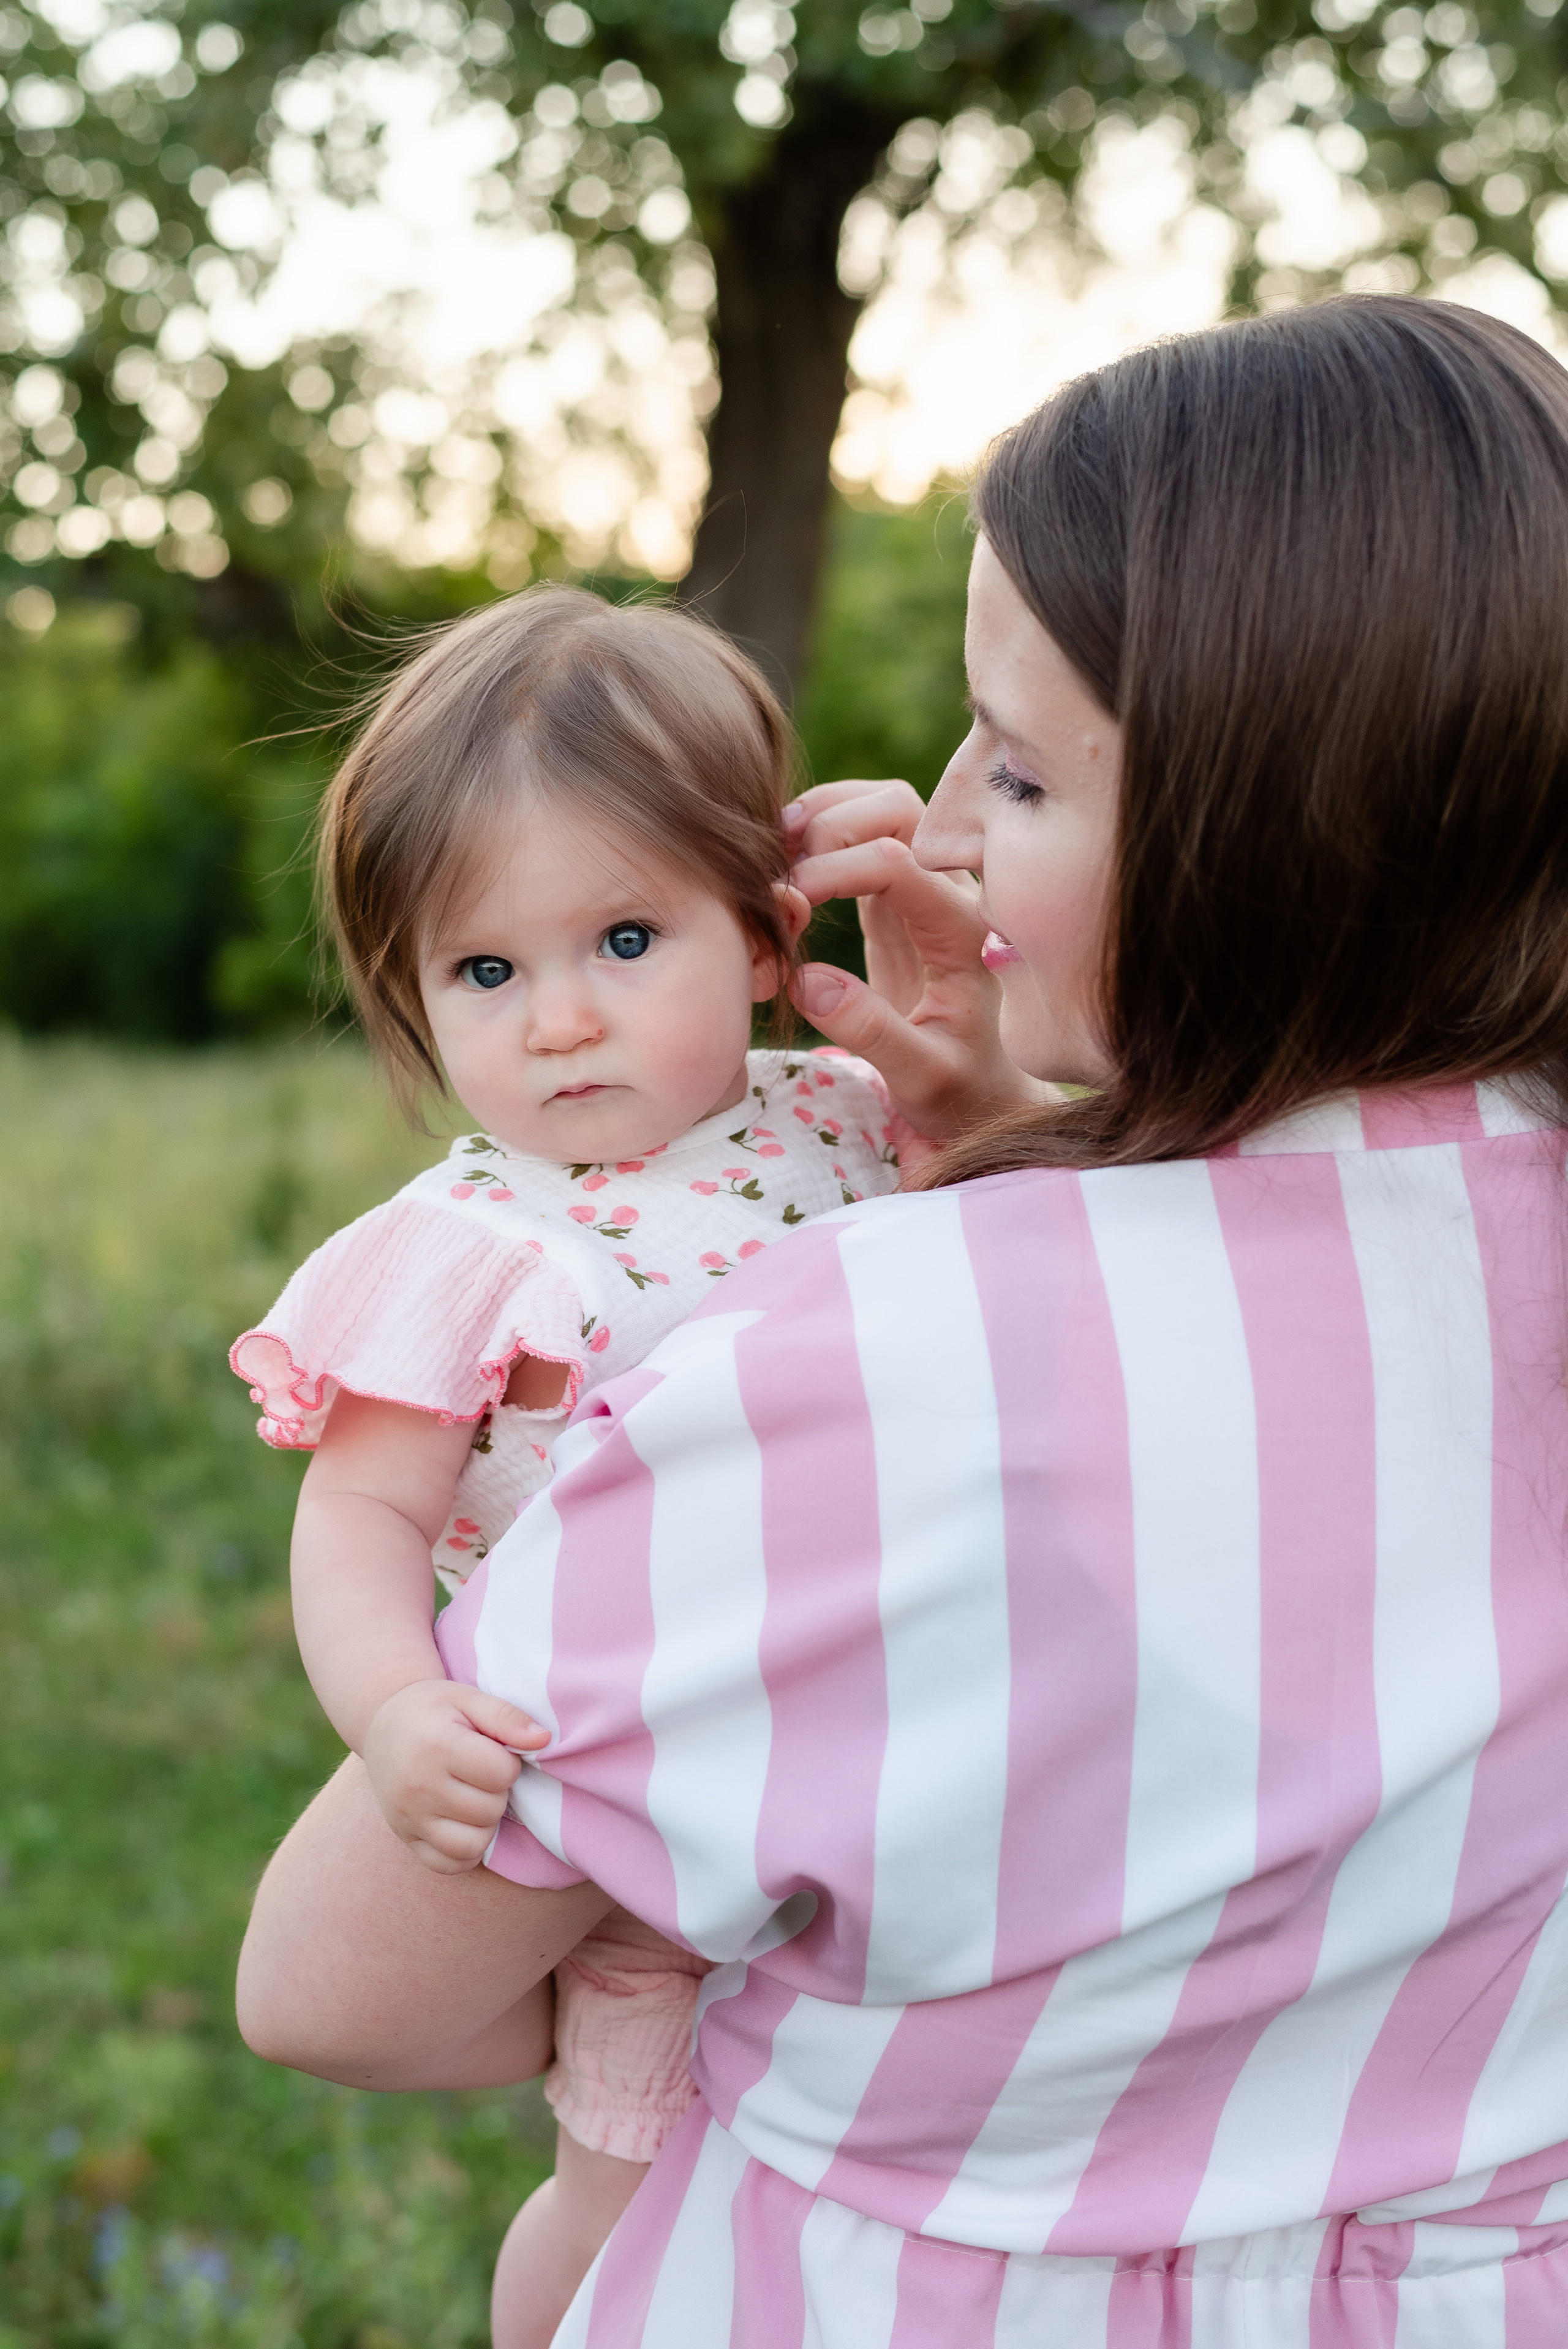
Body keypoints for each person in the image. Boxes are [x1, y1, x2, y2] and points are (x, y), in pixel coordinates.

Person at [238, 295, 1568, 2345]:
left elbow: (329, 1989)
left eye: (1020, 769)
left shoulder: (853, 1359)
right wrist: (1037, 1138)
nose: (936, 828)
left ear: (1267, 814)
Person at [227, 586, 899, 2347]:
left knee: (832, 2180)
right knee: (631, 2194)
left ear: (762, 934)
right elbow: (360, 1512)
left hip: (869, 1775)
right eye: (487, 970)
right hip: (623, 1825)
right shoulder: (474, 1245)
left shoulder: (849, 1115)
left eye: (623, 939)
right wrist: (392, 1712)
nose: (562, 1020)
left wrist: (918, 893)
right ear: (415, 993)